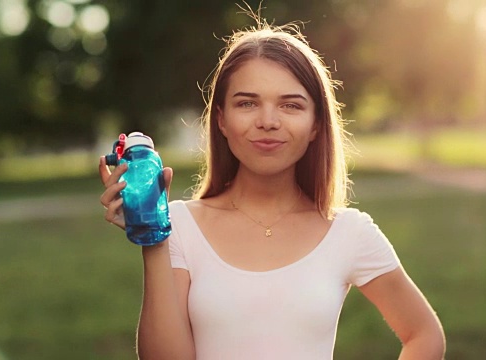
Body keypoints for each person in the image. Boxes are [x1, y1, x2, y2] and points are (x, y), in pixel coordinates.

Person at [99, 17, 445, 360]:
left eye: (290, 105)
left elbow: (424, 335)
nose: (268, 121)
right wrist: (153, 239)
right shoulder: (178, 225)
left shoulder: (349, 232)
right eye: (247, 103)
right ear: (220, 119)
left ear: (315, 125)